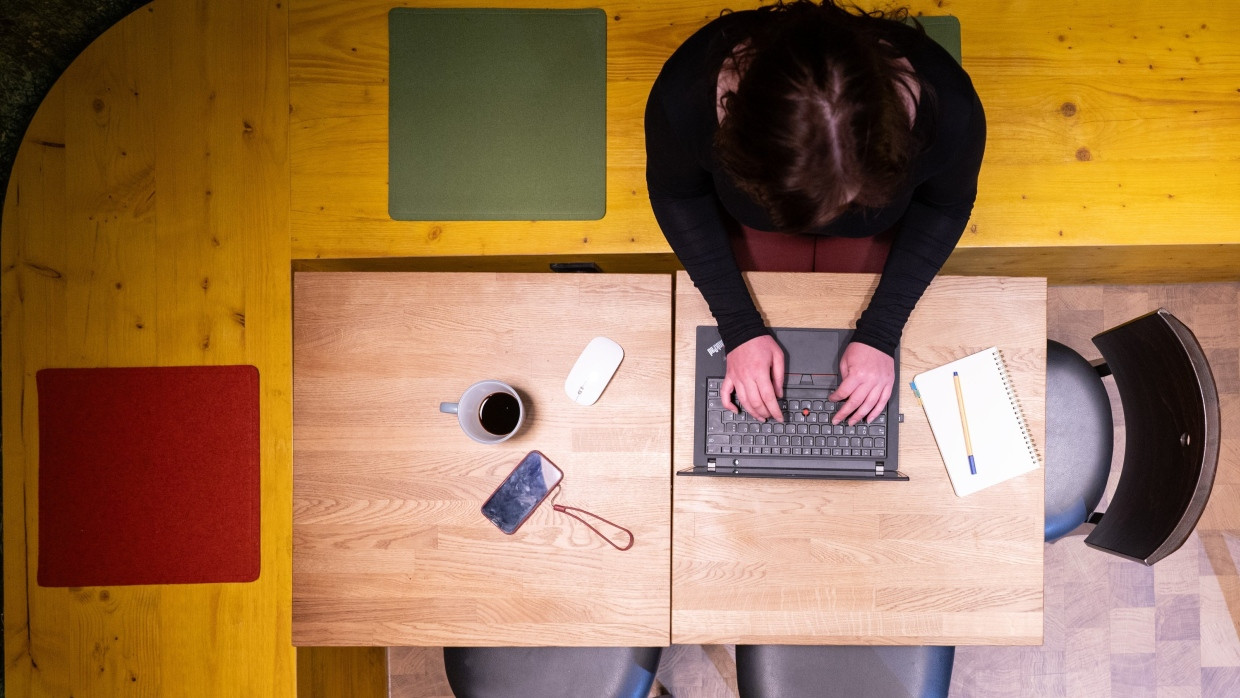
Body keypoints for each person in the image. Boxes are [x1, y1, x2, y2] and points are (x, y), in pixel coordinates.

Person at [645, 0, 985, 427]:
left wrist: (882, 332)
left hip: (871, 235)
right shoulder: (685, 94)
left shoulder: (950, 108)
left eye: (851, 197)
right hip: (755, 228)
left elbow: (945, 204)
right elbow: (677, 195)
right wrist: (737, 328)